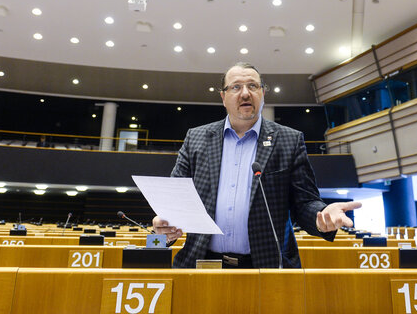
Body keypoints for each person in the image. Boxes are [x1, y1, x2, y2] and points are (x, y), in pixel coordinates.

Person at [153, 62, 361, 268]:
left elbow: (304, 202)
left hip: (267, 266)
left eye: (252, 86)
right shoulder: (196, 138)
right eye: (236, 87)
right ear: (223, 97)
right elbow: (175, 198)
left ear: (262, 93)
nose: (245, 93)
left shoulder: (289, 140)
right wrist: (164, 223)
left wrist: (321, 216)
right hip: (203, 263)